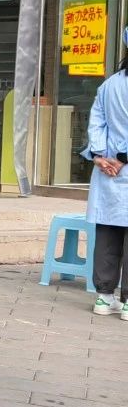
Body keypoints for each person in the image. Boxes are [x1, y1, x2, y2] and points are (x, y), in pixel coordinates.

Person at [82, 57, 128, 318]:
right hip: (119, 165)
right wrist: (123, 158)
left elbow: (96, 123)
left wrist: (99, 156)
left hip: (107, 170)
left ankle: (104, 297)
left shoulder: (109, 85)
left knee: (108, 232)